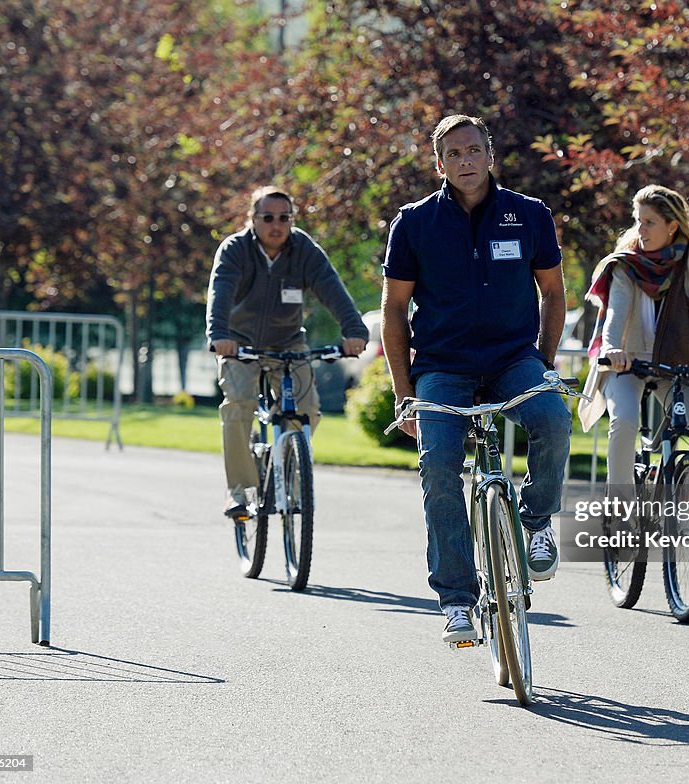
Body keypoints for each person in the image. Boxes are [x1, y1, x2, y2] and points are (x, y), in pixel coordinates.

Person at [381, 114, 571, 644]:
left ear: (490, 155)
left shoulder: (529, 215)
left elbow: (554, 293)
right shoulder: (414, 223)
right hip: (442, 366)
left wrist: (544, 361)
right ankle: (458, 601)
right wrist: (404, 393)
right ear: (439, 163)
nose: (465, 161)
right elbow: (394, 309)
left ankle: (535, 521)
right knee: (439, 466)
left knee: (553, 417)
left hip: (514, 358)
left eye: (474, 150)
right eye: (454, 154)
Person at [577, 184, 689, 486]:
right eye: (638, 220)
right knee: (625, 421)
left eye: (649, 222)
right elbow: (616, 312)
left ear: (672, 226)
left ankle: (677, 496)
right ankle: (621, 513)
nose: (641, 228)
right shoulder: (626, 262)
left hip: (673, 363)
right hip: (627, 363)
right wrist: (611, 349)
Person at [206, 186, 368, 518]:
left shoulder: (304, 249)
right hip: (240, 344)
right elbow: (219, 293)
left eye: (285, 218)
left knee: (307, 409)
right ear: (253, 219)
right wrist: (220, 335)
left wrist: (354, 331)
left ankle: (290, 471)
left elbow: (331, 288)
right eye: (268, 218)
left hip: (289, 344)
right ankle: (240, 490)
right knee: (238, 403)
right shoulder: (235, 250)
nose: (276, 225)